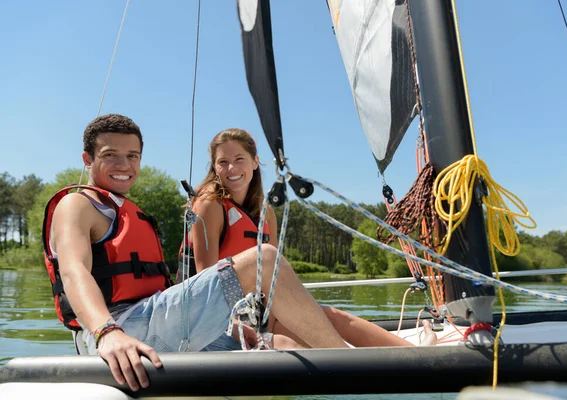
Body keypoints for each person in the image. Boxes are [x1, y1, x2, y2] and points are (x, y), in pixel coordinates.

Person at [42, 114, 352, 393]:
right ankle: (353, 369)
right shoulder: (77, 205)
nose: (124, 165)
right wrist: (107, 332)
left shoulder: (124, 209)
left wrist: (231, 326)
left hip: (154, 325)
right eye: (111, 156)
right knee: (264, 258)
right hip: (119, 328)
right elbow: (74, 271)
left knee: (279, 345)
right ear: (87, 158)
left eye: (132, 156)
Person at [177, 128, 438, 349]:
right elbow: (206, 281)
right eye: (222, 162)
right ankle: (351, 364)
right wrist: (239, 328)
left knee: (330, 318)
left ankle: (413, 353)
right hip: (213, 320)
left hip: (257, 313)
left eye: (239, 159)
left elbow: (276, 278)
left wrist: (298, 314)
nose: (231, 168)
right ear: (214, 167)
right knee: (291, 345)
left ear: (255, 162)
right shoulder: (209, 204)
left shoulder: (266, 211)